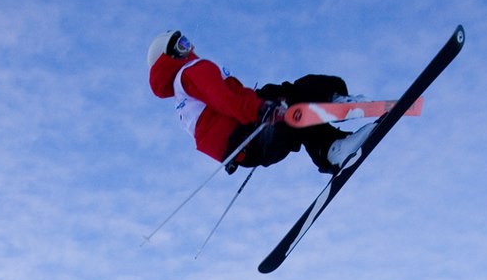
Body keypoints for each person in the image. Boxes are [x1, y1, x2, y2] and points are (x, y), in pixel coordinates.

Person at [147, 29, 373, 176]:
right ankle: (333, 100)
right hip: (252, 132)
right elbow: (222, 98)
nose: (191, 48)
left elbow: (212, 127)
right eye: (183, 44)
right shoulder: (192, 70)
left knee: (295, 112)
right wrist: (260, 109)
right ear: (169, 56)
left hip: (247, 151)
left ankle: (332, 149)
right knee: (290, 93)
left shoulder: (181, 100)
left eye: (188, 41)